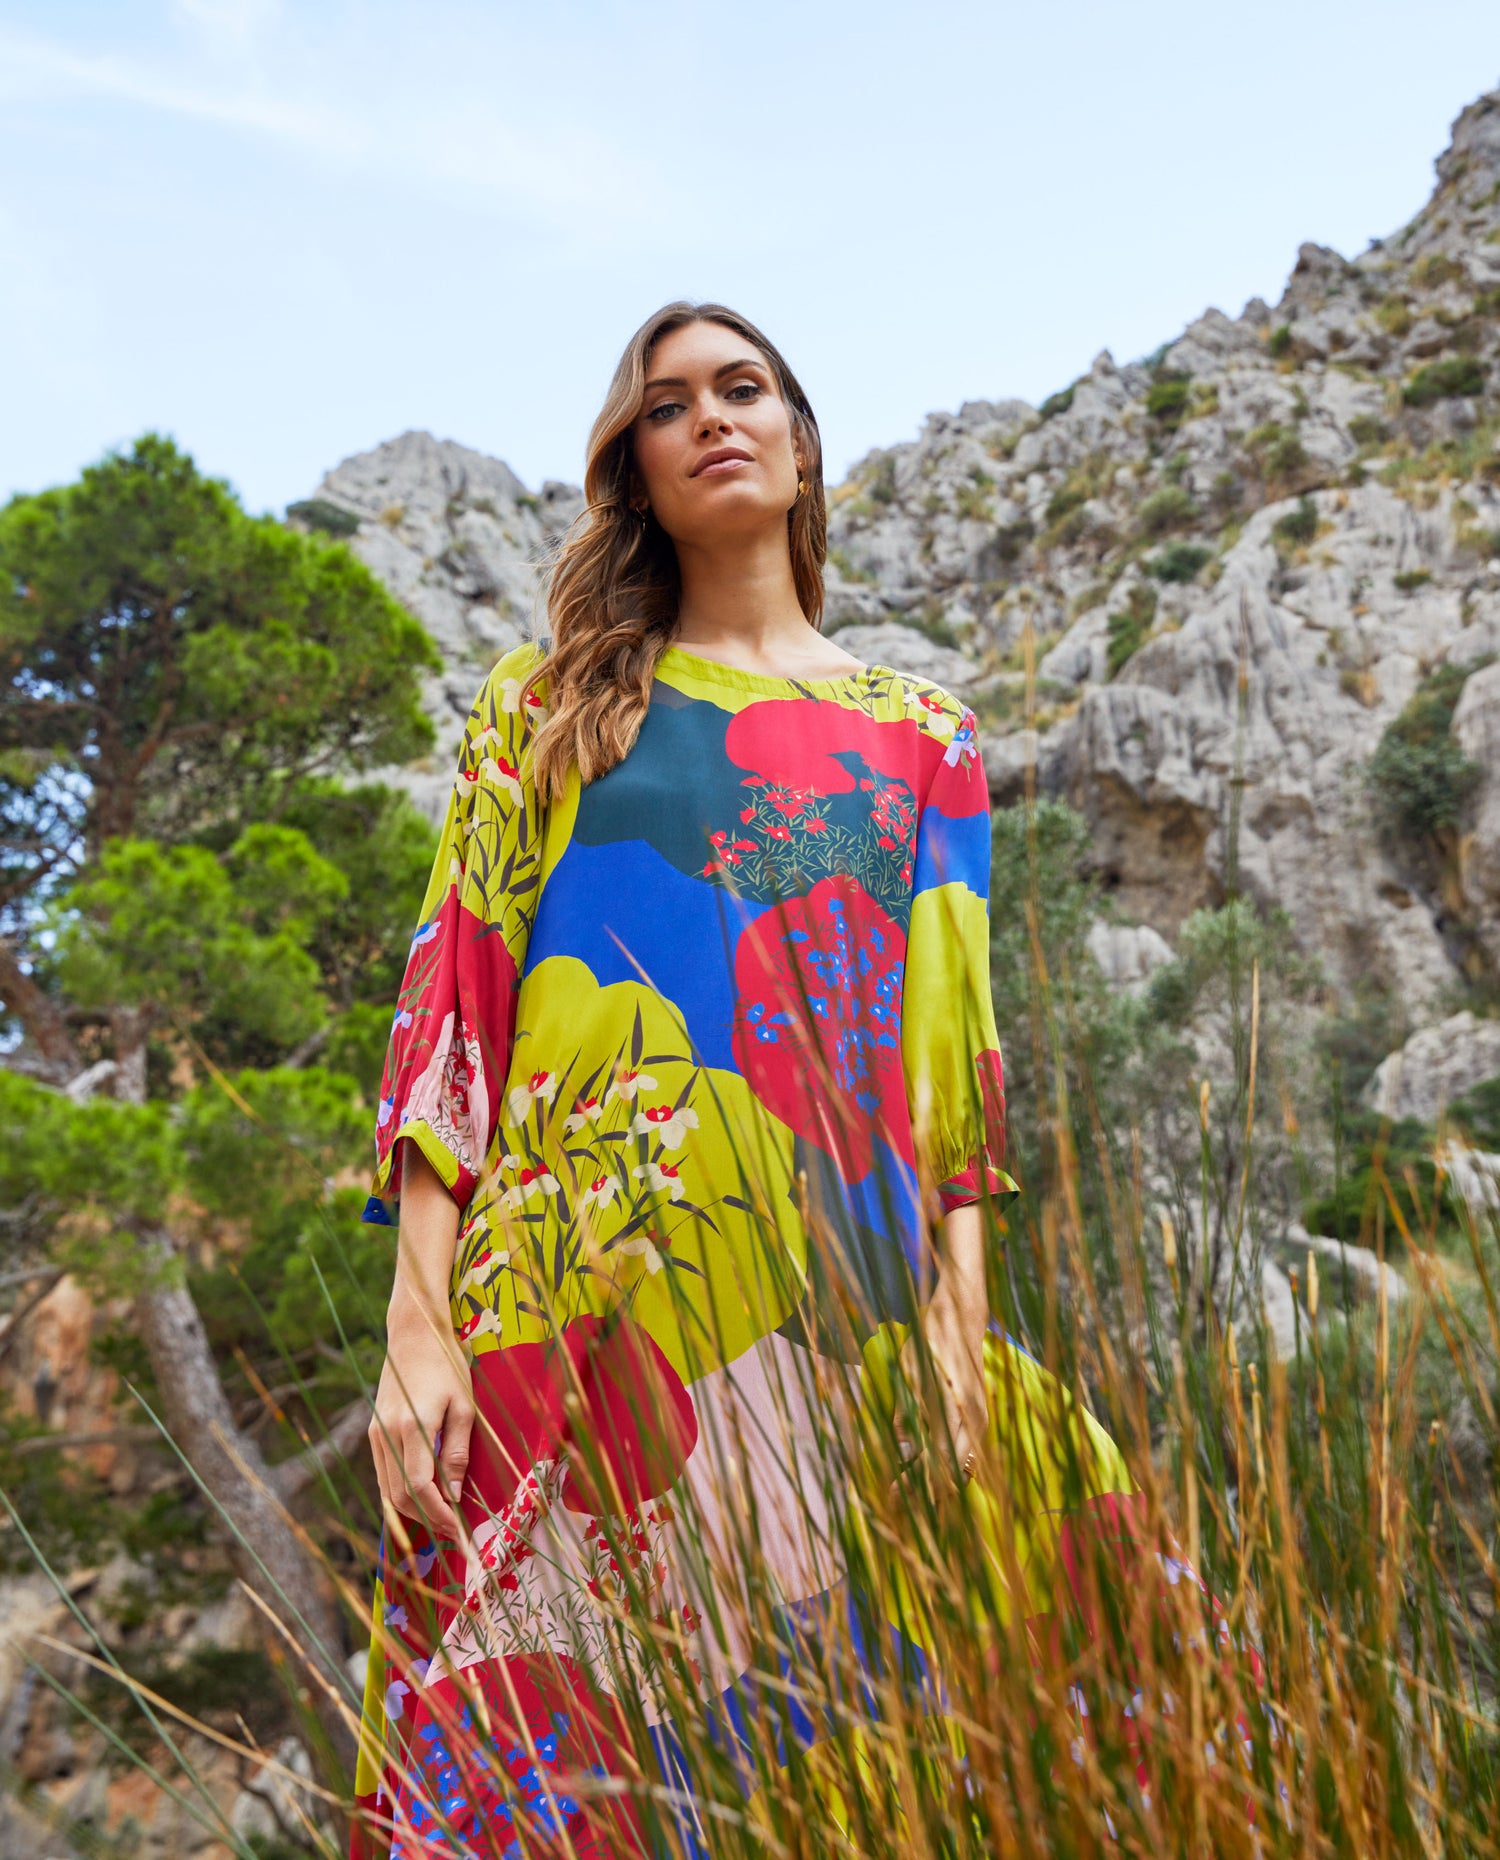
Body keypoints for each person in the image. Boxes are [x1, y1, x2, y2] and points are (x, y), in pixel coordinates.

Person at [349, 302, 1135, 1858]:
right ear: (632, 469)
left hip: (837, 1319)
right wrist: (414, 1333)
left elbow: (952, 1082)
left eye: (743, 387)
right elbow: (454, 1013)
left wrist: (963, 1344)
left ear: (799, 440)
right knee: (542, 1765)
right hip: (561, 1304)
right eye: (666, 404)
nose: (710, 416)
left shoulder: (926, 740)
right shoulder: (550, 702)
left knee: (881, 1739)